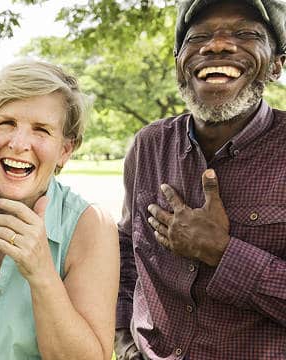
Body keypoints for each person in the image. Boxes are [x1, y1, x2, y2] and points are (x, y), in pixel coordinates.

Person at [115, 1, 286, 359]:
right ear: (179, 62)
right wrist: (124, 341)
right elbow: (126, 251)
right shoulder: (149, 145)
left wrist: (221, 252)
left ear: (276, 64)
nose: (217, 45)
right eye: (199, 37)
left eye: (245, 34)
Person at [0, 60, 119, 359]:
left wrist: (41, 271)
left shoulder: (91, 226)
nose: (19, 144)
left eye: (41, 130)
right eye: (6, 123)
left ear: (65, 150)